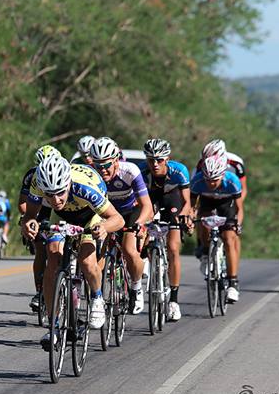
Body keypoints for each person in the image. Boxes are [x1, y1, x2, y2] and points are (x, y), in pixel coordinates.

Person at [20, 155, 124, 347]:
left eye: (60, 192)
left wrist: (104, 227)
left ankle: (97, 297)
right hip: (61, 217)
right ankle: (53, 326)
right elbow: (30, 215)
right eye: (49, 194)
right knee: (53, 260)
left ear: (68, 184)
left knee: (87, 262)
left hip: (90, 215)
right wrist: (28, 224)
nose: (55, 199)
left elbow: (118, 219)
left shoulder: (85, 188)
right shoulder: (38, 182)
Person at [90, 137, 154, 315]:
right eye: (97, 165)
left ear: (116, 161)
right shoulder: (91, 174)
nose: (102, 170)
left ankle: (136, 287)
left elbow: (147, 205)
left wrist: (140, 224)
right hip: (105, 213)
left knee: (129, 250)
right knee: (97, 254)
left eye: (106, 165)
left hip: (130, 211)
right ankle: (97, 297)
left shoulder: (130, 171)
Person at [141, 138, 192, 322]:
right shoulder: (142, 172)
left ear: (167, 159)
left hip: (173, 201)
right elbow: (140, 203)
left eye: (159, 160)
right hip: (151, 200)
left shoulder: (179, 171)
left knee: (173, 248)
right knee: (143, 226)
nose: (155, 164)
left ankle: (174, 301)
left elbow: (187, 202)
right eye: (151, 160)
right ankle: (147, 258)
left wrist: (184, 216)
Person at [191, 154, 244, 302]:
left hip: (226, 204)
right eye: (208, 180)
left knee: (229, 239)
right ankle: (206, 252)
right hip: (207, 202)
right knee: (204, 225)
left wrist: (237, 224)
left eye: (215, 180)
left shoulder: (232, 181)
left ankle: (233, 283)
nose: (211, 183)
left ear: (222, 175)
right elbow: (192, 205)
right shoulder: (198, 181)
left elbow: (239, 209)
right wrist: (190, 218)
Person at [19, 145, 60, 311]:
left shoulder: (65, 172)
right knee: (41, 250)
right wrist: (30, 220)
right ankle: (39, 292)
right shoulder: (32, 176)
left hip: (60, 209)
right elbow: (23, 204)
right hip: (40, 210)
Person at [193, 138, 246, 259]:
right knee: (201, 216)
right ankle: (201, 244)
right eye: (205, 158)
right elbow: (195, 190)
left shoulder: (236, 163)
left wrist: (237, 210)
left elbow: (243, 189)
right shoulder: (202, 164)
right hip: (207, 195)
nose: (208, 161)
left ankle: (233, 264)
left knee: (232, 235)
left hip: (229, 197)